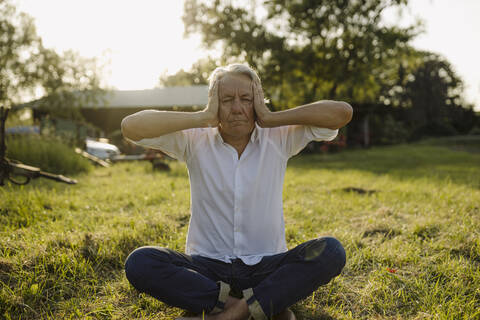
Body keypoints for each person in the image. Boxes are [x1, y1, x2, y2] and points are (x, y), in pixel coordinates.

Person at [121, 64, 353, 320]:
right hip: (207, 267)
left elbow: (342, 113)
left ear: (257, 102)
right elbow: (131, 127)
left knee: (331, 251)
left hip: (267, 266)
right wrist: (202, 117)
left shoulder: (278, 136)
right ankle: (261, 306)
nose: (237, 108)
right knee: (140, 262)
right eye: (226, 100)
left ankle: (228, 314)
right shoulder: (194, 139)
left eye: (246, 99)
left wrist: (270, 117)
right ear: (214, 105)